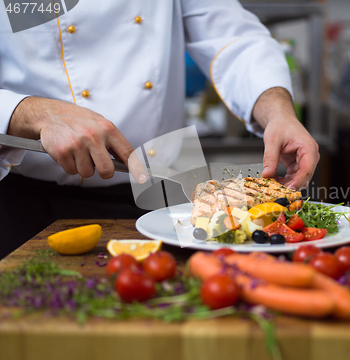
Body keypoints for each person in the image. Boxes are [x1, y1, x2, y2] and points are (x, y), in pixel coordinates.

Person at [0, 0, 319, 257]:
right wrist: (27, 112)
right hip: (25, 201)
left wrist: (279, 111)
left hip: (165, 195)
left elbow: (232, 37)